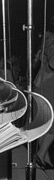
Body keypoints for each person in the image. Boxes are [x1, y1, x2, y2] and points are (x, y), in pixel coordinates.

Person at [33, 16, 54, 168]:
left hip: (40, 83)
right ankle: (40, 155)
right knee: (51, 122)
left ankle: (44, 158)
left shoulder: (46, 39)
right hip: (49, 84)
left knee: (44, 121)